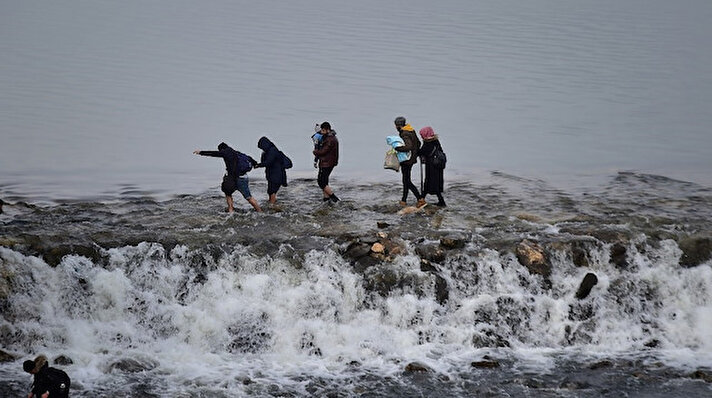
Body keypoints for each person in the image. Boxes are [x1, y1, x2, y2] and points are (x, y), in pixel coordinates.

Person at [193, 142, 262, 212]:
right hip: (243, 178)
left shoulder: (225, 152)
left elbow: (214, 153)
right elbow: (250, 158)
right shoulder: (237, 153)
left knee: (228, 193)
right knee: (248, 197)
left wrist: (201, 152)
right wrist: (256, 164)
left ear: (221, 149)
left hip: (233, 178)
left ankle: (231, 210)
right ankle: (260, 211)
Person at [393, 116, 425, 207]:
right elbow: (418, 143)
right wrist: (415, 154)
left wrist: (397, 148)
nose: (395, 127)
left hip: (406, 160)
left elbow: (408, 146)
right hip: (411, 159)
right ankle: (404, 200)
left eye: (396, 125)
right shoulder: (411, 130)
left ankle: (420, 199)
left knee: (407, 181)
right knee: (406, 179)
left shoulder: (404, 133)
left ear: (398, 125)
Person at [417, 126, 446, 207]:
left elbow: (422, 152)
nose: (421, 136)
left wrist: (416, 149)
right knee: (432, 182)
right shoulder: (435, 141)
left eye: (422, 135)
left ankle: (441, 202)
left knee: (431, 183)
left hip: (432, 166)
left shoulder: (428, 143)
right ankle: (422, 198)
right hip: (438, 166)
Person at [312, 121, 340, 203]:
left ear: (327, 130)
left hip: (326, 163)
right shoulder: (331, 136)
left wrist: (315, 151)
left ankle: (334, 197)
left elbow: (323, 151)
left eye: (323, 130)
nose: (321, 132)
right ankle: (326, 198)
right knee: (325, 180)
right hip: (329, 162)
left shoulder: (330, 139)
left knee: (321, 182)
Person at [256, 136, 288, 204]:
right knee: (271, 190)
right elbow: (266, 162)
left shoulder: (272, 150)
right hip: (273, 174)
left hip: (276, 174)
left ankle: (272, 205)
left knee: (272, 191)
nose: (262, 149)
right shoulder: (269, 151)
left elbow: (268, 162)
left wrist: (258, 165)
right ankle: (271, 203)